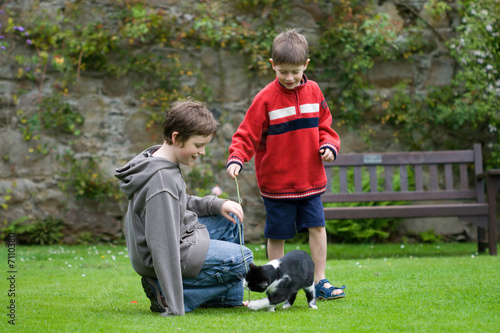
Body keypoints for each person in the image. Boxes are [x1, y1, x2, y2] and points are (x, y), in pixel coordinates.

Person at [226, 29, 345, 300]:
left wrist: (328, 145)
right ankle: (276, 283)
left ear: (306, 65)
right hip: (277, 184)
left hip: (311, 180)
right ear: (272, 66)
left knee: (318, 228)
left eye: (294, 71)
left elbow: (325, 126)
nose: (289, 78)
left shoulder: (314, 91)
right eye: (282, 72)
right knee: (277, 235)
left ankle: (320, 280)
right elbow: (247, 134)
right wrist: (237, 157)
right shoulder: (265, 98)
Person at [115, 99, 253, 316]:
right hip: (168, 252)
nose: (203, 152)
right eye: (199, 145)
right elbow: (163, 246)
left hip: (181, 235)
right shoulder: (161, 180)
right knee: (243, 259)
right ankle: (166, 294)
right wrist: (175, 305)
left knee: (229, 221)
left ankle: (227, 299)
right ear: (176, 138)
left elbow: (181, 201)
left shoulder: (159, 161)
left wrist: (217, 204)